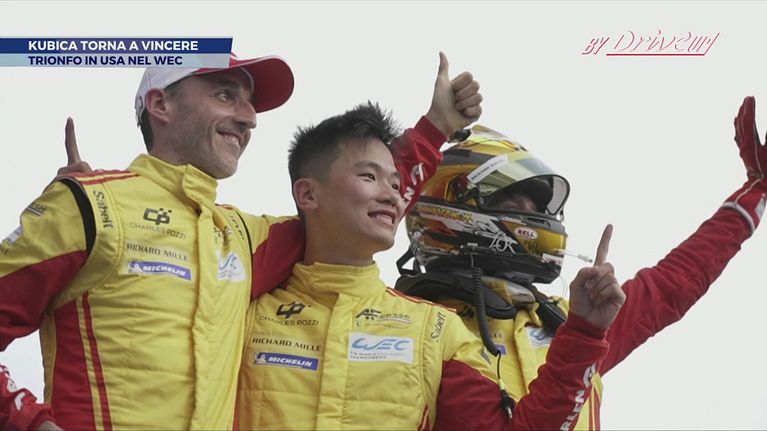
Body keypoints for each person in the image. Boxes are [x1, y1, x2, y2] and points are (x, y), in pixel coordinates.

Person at [0, 52, 482, 430]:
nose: (249, 117)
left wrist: (435, 128)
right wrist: (30, 421)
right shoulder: (90, 206)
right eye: (226, 95)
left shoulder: (242, 238)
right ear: (161, 104)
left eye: (249, 105)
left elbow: (347, 208)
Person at [234, 102, 627, 430]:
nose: (391, 195)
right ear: (307, 194)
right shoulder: (240, 301)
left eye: (396, 184)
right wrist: (435, 126)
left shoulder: (434, 329)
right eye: (369, 176)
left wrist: (584, 332)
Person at [395, 96, 767, 429]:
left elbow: (675, 282)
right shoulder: (415, 328)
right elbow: (363, 206)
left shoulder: (571, 320)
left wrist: (756, 190)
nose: (533, 216)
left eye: (536, 207)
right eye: (513, 203)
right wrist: (431, 131)